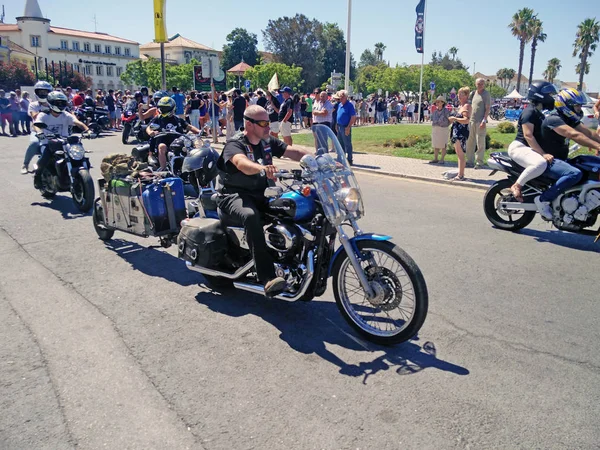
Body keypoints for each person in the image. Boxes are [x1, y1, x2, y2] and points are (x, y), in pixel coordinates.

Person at [215, 105, 313, 297]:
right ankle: (267, 277)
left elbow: (292, 151)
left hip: (262, 193)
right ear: (249, 125)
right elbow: (241, 163)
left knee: (294, 207)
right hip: (234, 195)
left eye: (268, 122)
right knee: (251, 216)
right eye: (263, 123)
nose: (268, 126)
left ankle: (293, 260)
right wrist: (261, 168)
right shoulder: (235, 145)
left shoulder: (266, 142)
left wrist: (318, 159)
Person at [534, 88, 600, 220]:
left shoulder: (568, 119)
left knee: (593, 163)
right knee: (574, 173)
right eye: (576, 105)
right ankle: (543, 200)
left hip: (561, 160)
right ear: (565, 105)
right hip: (548, 161)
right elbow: (574, 134)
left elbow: (588, 133)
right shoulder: (554, 119)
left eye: (579, 105)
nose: (579, 108)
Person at [507, 81, 558, 202]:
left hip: (528, 149)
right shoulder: (529, 112)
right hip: (520, 147)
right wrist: (543, 154)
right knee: (540, 163)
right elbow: (528, 135)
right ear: (540, 95)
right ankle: (517, 185)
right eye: (549, 94)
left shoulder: (539, 112)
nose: (552, 97)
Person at [33, 92, 90, 189]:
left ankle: (80, 180)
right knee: (45, 157)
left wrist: (87, 130)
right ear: (51, 103)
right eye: (58, 103)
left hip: (65, 141)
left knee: (80, 157)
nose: (60, 105)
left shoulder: (65, 114)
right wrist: (40, 133)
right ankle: (37, 176)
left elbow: (77, 122)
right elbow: (36, 125)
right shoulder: (43, 114)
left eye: (62, 103)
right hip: (48, 142)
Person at [146, 97, 201, 171]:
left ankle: (195, 167)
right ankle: (163, 168)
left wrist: (199, 131)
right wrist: (150, 132)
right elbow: (149, 127)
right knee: (162, 147)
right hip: (164, 142)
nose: (163, 110)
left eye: (165, 108)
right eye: (162, 108)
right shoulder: (158, 119)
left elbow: (189, 127)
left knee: (192, 146)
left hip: (178, 141)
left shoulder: (177, 119)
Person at [21, 81, 52, 174]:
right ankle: (25, 164)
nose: (43, 94)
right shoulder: (33, 104)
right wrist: (46, 110)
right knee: (34, 143)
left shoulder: (54, 103)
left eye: (45, 92)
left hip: (53, 129)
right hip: (37, 130)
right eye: (41, 92)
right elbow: (34, 116)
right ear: (36, 93)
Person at [447, 87, 472, 181]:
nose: (459, 96)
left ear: (466, 95)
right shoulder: (460, 106)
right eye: (459, 93)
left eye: (462, 94)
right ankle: (460, 173)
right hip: (456, 131)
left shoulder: (467, 106)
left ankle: (461, 175)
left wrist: (455, 119)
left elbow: (466, 120)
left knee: (461, 154)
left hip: (461, 132)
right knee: (458, 153)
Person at [466, 78, 491, 169]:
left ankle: (479, 162)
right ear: (475, 84)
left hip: (480, 121)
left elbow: (488, 108)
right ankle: (469, 161)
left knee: (480, 142)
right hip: (472, 121)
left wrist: (484, 120)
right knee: (470, 142)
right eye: (478, 84)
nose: (480, 85)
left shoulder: (486, 94)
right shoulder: (473, 93)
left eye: (482, 84)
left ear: (484, 85)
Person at [336, 90, 357, 165]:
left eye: (342, 97)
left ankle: (349, 159)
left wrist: (348, 127)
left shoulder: (349, 105)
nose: (340, 98)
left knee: (347, 143)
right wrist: (336, 124)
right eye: (340, 96)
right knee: (340, 144)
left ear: (346, 97)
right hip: (339, 126)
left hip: (345, 126)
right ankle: (341, 159)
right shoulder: (340, 105)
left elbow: (353, 117)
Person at [429, 96, 451, 165]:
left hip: (443, 129)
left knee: (443, 145)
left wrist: (447, 124)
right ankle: (435, 158)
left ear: (442, 103)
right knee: (436, 144)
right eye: (436, 102)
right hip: (435, 128)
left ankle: (442, 159)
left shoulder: (446, 111)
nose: (437, 103)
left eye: (438, 102)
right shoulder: (435, 111)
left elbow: (450, 119)